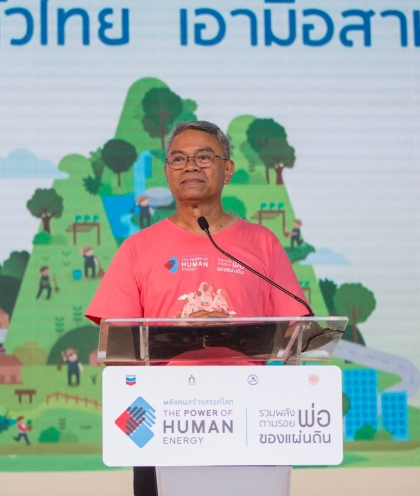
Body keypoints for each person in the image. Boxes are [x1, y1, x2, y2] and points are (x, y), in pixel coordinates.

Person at [84, 121, 309, 496]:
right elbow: (117, 352)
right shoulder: (137, 249)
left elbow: (296, 339)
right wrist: (177, 335)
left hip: (248, 418)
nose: (190, 166)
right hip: (165, 422)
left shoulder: (262, 243)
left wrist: (235, 332)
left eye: (204, 157)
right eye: (179, 159)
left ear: (227, 169)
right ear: (167, 172)